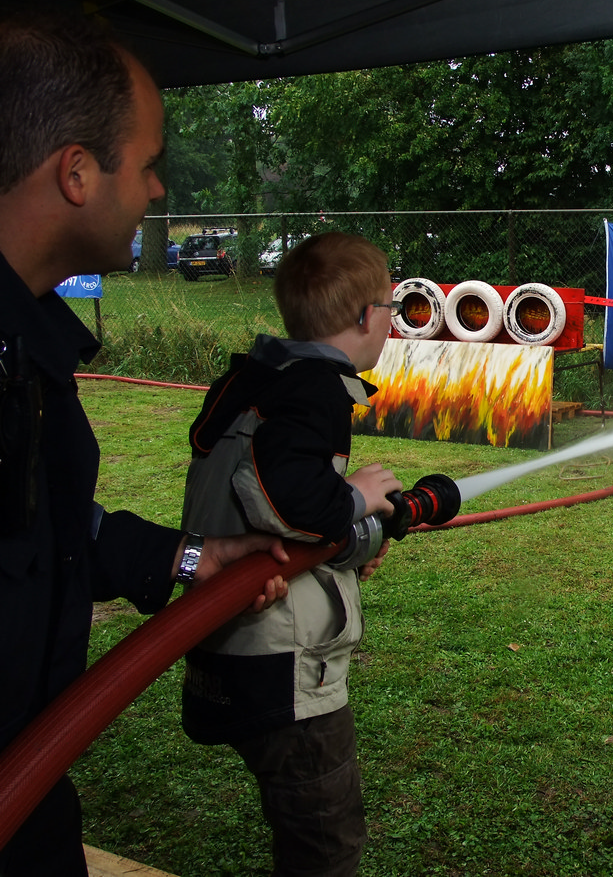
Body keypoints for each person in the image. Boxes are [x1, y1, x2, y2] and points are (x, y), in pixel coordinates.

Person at [0, 9, 289, 876]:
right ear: (77, 173)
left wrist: (191, 557)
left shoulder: (24, 346)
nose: (158, 190)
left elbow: (40, 532)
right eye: (147, 163)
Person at [179, 232, 407, 877]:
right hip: (282, 662)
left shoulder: (259, 378)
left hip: (222, 638)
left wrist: (346, 543)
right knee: (325, 844)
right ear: (364, 316)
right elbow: (286, 500)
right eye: (390, 308)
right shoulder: (314, 389)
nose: (391, 321)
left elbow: (257, 496)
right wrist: (357, 498)